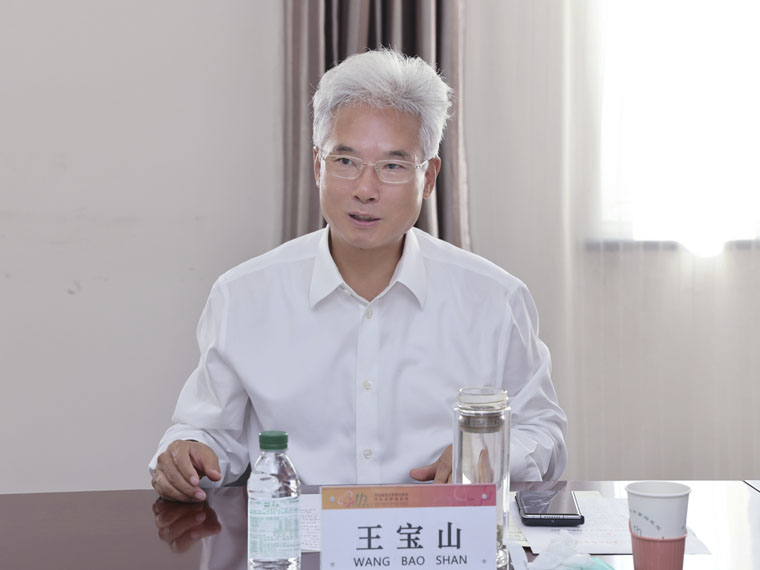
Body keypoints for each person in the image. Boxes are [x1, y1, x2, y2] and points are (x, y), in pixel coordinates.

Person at [149, 48, 567, 502]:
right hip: (297, 535)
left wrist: (487, 455)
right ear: (317, 166)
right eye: (345, 162)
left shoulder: (494, 299)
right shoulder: (244, 295)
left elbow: (543, 433)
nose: (365, 190)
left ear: (428, 178)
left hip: (440, 534)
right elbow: (208, 433)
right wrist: (187, 453)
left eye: (393, 166)